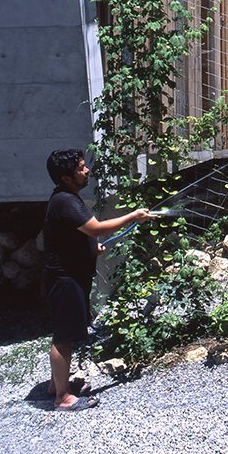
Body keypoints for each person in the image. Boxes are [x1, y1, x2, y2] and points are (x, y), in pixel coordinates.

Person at [41, 149, 155, 411]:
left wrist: (91, 249)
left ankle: (55, 385)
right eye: (81, 168)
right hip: (64, 280)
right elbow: (95, 228)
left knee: (66, 334)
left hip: (69, 277)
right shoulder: (66, 201)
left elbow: (74, 235)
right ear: (66, 177)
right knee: (64, 337)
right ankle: (62, 397)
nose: (86, 170)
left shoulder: (67, 198)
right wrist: (132, 216)